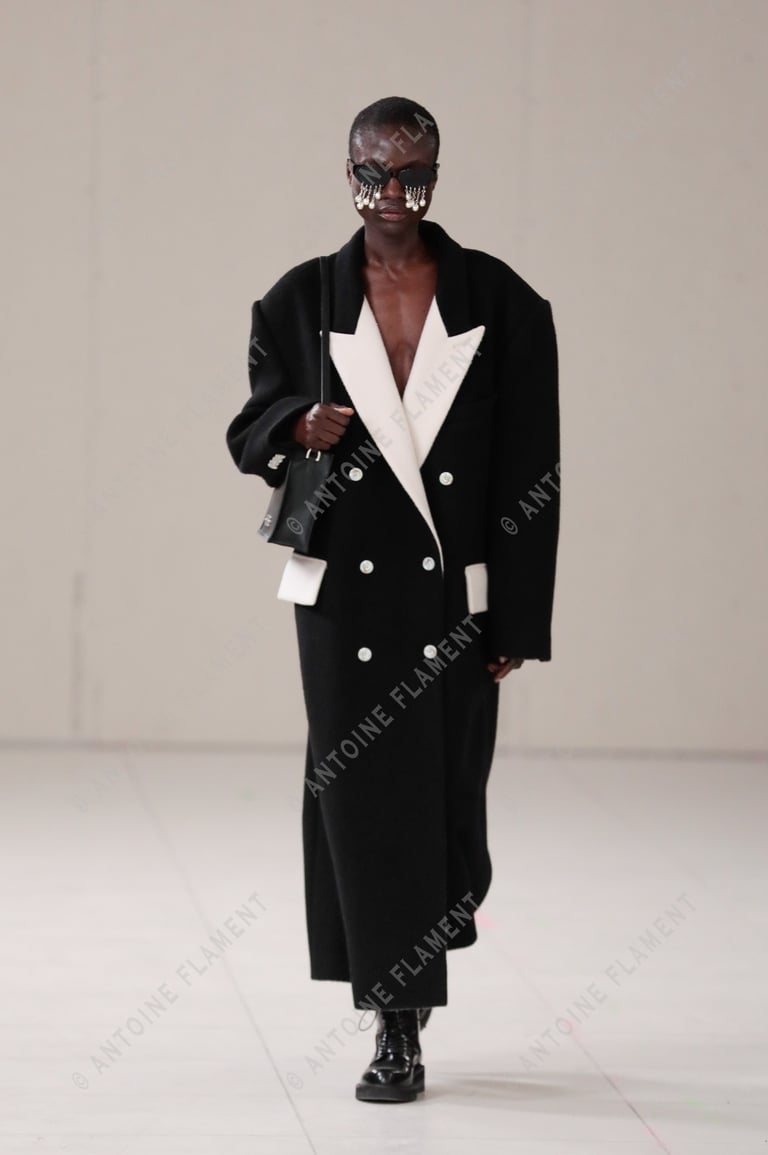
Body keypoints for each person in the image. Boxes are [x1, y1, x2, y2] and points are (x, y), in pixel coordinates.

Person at [225, 96, 560, 1103]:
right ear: (349, 175)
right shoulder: (300, 299)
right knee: (364, 801)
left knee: (448, 798)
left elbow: (531, 469)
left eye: (413, 175)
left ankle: (426, 940)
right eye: (375, 173)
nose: (393, 194)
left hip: (450, 594)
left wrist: (519, 616)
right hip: (342, 592)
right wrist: (297, 422)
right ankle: (396, 1023)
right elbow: (247, 431)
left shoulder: (503, 302)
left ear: (437, 178)